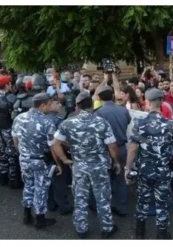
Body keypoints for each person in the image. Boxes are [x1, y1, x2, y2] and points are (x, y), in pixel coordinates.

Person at [51, 92, 120, 239]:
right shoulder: (102, 122)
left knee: (80, 198)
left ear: (77, 106)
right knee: (102, 197)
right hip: (100, 167)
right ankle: (107, 227)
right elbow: (112, 146)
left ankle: (81, 228)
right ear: (92, 106)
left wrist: (64, 160)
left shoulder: (68, 123)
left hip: (79, 166)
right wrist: (116, 161)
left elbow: (55, 143)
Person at [124, 88, 173, 239]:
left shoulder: (139, 123)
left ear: (148, 103)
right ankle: (162, 234)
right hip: (163, 171)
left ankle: (139, 233)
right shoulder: (170, 124)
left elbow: (133, 148)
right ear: (161, 102)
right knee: (162, 203)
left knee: (142, 200)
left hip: (144, 170)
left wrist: (128, 167)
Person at [12, 93, 61, 229]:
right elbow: (53, 146)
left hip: (24, 159)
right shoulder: (46, 122)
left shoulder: (19, 118)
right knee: (40, 189)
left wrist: (22, 152)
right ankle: (40, 220)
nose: (50, 107)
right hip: (39, 160)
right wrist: (58, 162)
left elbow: (15, 138)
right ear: (43, 105)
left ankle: (26, 215)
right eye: (49, 104)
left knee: (28, 185)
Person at [94, 85, 131, 216]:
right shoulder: (123, 110)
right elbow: (127, 123)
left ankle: (106, 207)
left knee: (105, 180)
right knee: (120, 179)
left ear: (99, 97)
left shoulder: (98, 112)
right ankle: (122, 207)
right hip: (121, 147)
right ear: (113, 96)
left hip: (105, 150)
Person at [0, 75, 22, 188]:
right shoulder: (11, 98)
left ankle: (2, 178)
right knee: (12, 155)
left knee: (3, 154)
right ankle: (14, 181)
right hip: (9, 130)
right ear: (7, 85)